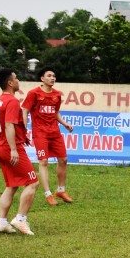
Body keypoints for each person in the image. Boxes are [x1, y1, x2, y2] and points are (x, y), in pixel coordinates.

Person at [0, 68, 39, 235]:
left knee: (12, 185)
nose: (18, 80)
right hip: (10, 147)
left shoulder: (0, 100)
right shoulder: (12, 101)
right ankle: (20, 219)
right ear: (10, 83)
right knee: (33, 183)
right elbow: (8, 125)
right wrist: (14, 148)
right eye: (16, 78)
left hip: (0, 146)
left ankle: (2, 223)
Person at [22, 66, 74, 206]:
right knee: (43, 162)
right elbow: (25, 110)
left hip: (55, 132)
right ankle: (48, 194)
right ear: (42, 78)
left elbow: (55, 112)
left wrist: (65, 124)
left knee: (63, 159)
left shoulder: (57, 95)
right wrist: (24, 127)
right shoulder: (33, 93)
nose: (53, 78)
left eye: (54, 76)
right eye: (50, 76)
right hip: (40, 133)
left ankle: (61, 190)